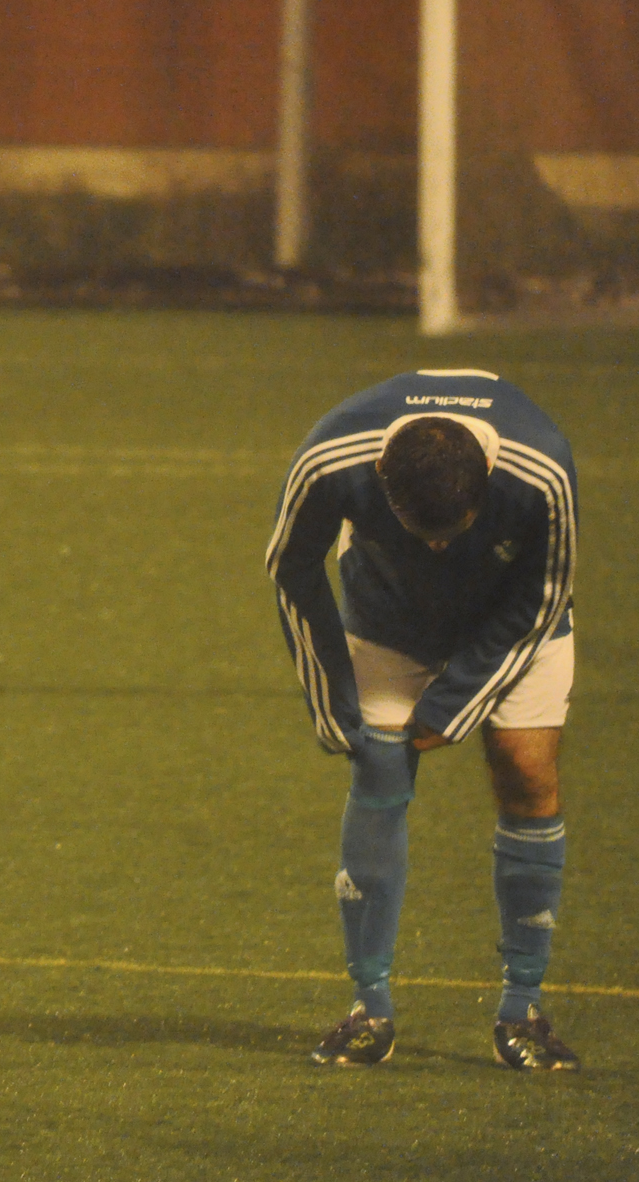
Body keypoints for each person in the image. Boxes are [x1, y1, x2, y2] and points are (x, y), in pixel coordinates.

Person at [266, 369, 579, 1070]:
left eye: (451, 532)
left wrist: (454, 701)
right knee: (377, 766)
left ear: (485, 480)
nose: (437, 547)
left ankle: (522, 1009)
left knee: (526, 771)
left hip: (511, 622)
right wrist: (329, 695)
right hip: (387, 620)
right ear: (382, 479)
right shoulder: (332, 457)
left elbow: (545, 593)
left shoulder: (541, 470)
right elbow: (291, 567)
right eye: (420, 531)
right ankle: (368, 1009)